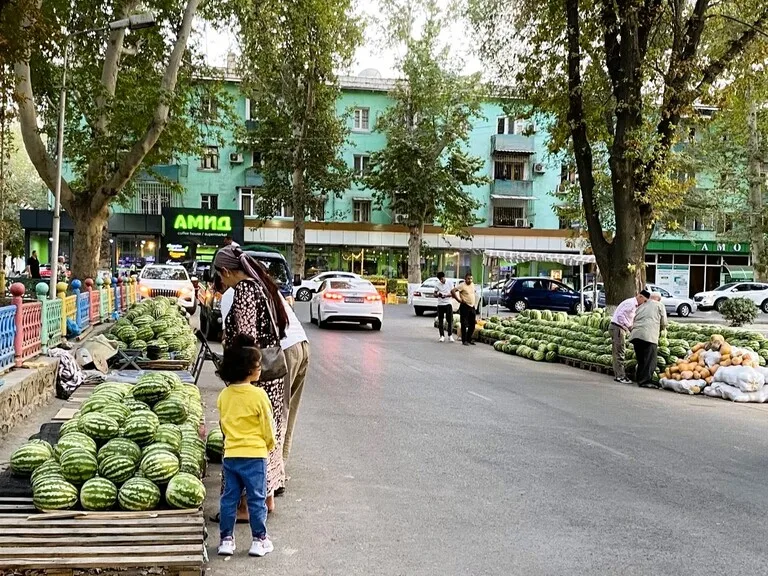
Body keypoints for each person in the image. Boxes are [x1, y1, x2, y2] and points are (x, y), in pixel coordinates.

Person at [214, 245, 288, 512]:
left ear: (226, 271)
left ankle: (245, 506)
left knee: (245, 437)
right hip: (271, 373)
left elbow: (247, 339)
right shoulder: (261, 285)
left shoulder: (244, 290)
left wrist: (234, 372)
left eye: (220, 276)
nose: (222, 283)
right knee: (267, 435)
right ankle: (266, 498)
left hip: (254, 376)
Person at [221, 289, 310, 489]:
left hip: (280, 352)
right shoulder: (260, 285)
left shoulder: (234, 294)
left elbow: (238, 342)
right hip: (301, 344)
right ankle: (278, 472)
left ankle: (272, 478)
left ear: (224, 275)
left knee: (277, 413)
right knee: (286, 412)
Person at [216, 333, 276, 558]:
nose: (261, 368)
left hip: (231, 455)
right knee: (256, 499)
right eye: (258, 365)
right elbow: (267, 426)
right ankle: (259, 540)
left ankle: (226, 540)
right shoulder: (259, 395)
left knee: (229, 499)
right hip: (255, 455)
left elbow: (223, 424)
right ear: (249, 370)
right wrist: (269, 445)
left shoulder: (224, 395)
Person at [630, 292, 668, 389]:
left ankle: (639, 379)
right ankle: (645, 381)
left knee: (641, 359)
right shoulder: (659, 305)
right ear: (659, 299)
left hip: (636, 335)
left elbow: (633, 318)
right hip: (649, 336)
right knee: (650, 360)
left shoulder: (641, 306)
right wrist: (661, 330)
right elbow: (664, 322)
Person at [609, 290, 648, 384]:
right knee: (619, 352)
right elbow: (620, 316)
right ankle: (620, 376)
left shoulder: (633, 304)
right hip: (617, 328)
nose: (644, 303)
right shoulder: (631, 304)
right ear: (640, 296)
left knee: (618, 351)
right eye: (644, 301)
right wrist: (629, 326)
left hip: (619, 328)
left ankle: (619, 374)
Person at [451, 272, 477, 346]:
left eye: (471, 279)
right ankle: (464, 340)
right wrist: (458, 300)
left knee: (472, 324)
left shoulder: (472, 284)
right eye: (468, 279)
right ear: (465, 279)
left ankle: (469, 339)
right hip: (465, 306)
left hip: (472, 306)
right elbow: (453, 291)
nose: (470, 280)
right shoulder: (462, 285)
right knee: (464, 324)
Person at [434, 272, 455, 343]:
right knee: (440, 320)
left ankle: (450, 335)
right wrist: (438, 295)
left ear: (444, 277)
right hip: (440, 304)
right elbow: (434, 293)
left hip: (448, 303)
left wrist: (447, 295)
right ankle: (442, 335)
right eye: (440, 279)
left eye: (442, 279)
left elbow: (453, 293)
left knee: (450, 320)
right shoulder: (437, 284)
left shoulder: (450, 282)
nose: (441, 280)